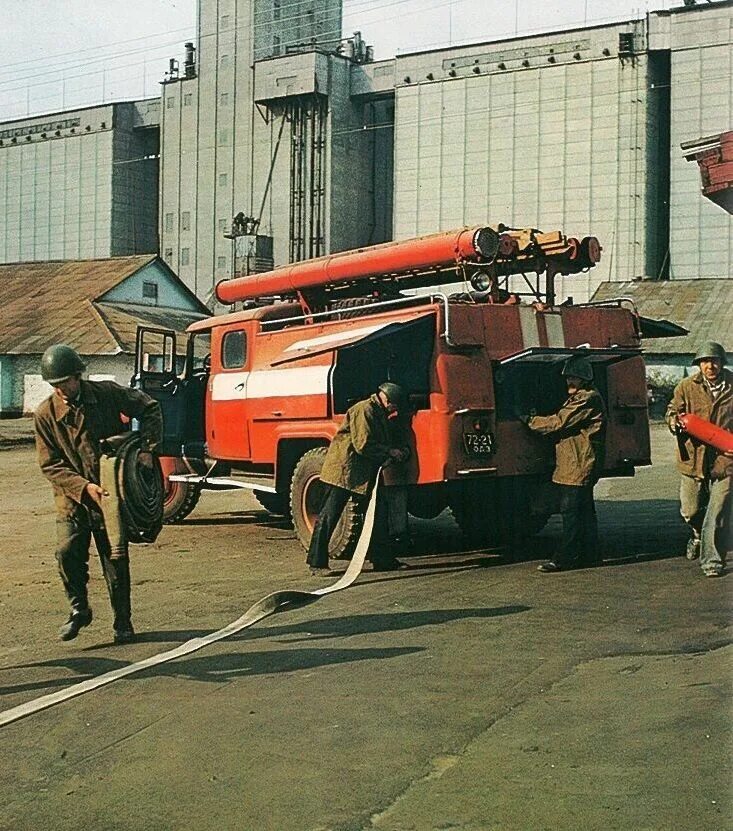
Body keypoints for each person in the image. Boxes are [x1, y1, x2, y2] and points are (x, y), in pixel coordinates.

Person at [34, 344, 163, 643]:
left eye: (65, 381)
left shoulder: (106, 394)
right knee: (67, 553)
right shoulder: (45, 415)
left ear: (78, 376)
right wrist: (82, 487)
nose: (61, 389)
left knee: (115, 557)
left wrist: (147, 449)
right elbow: (50, 465)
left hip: (112, 495)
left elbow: (150, 407)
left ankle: (122, 622)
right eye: (55, 384)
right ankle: (79, 609)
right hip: (73, 499)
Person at [306, 382, 411, 575]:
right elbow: (363, 444)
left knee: (377, 515)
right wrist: (390, 451)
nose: (394, 410)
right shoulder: (364, 410)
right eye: (394, 405)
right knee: (329, 516)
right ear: (385, 399)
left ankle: (382, 560)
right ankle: (317, 563)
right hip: (343, 472)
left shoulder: (378, 411)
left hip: (361, 472)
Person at [518, 355, 607, 572]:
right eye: (568, 377)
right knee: (583, 511)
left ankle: (565, 558)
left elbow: (559, 422)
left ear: (584, 378)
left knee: (571, 511)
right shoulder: (584, 396)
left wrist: (529, 420)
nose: (569, 381)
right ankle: (590, 555)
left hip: (578, 462)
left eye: (574, 377)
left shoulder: (587, 398)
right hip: (577, 461)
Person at [666, 341, 732, 578]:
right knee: (690, 510)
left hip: (725, 460)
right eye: (705, 362)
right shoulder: (686, 386)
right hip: (694, 457)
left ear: (722, 363)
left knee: (716, 512)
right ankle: (696, 535)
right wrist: (674, 422)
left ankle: (712, 562)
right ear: (699, 365)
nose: (710, 366)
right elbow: (673, 410)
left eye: (714, 361)